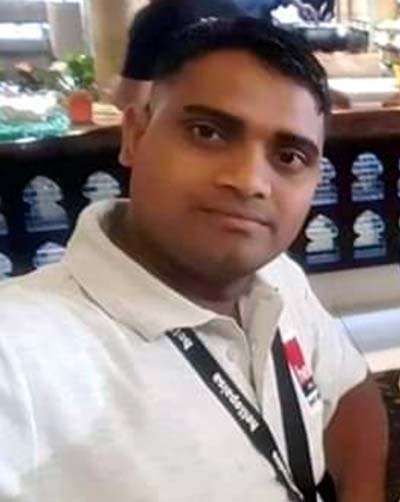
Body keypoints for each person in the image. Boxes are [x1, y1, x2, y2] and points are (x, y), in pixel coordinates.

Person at [0, 16, 387, 502]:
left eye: (289, 156)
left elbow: (350, 391)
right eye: (208, 132)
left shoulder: (276, 278)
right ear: (135, 135)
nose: (250, 181)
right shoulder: (20, 353)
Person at [113, 0, 319, 111]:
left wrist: (115, 92)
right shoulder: (236, 13)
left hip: (184, 141)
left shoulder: (157, 16)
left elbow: (131, 102)